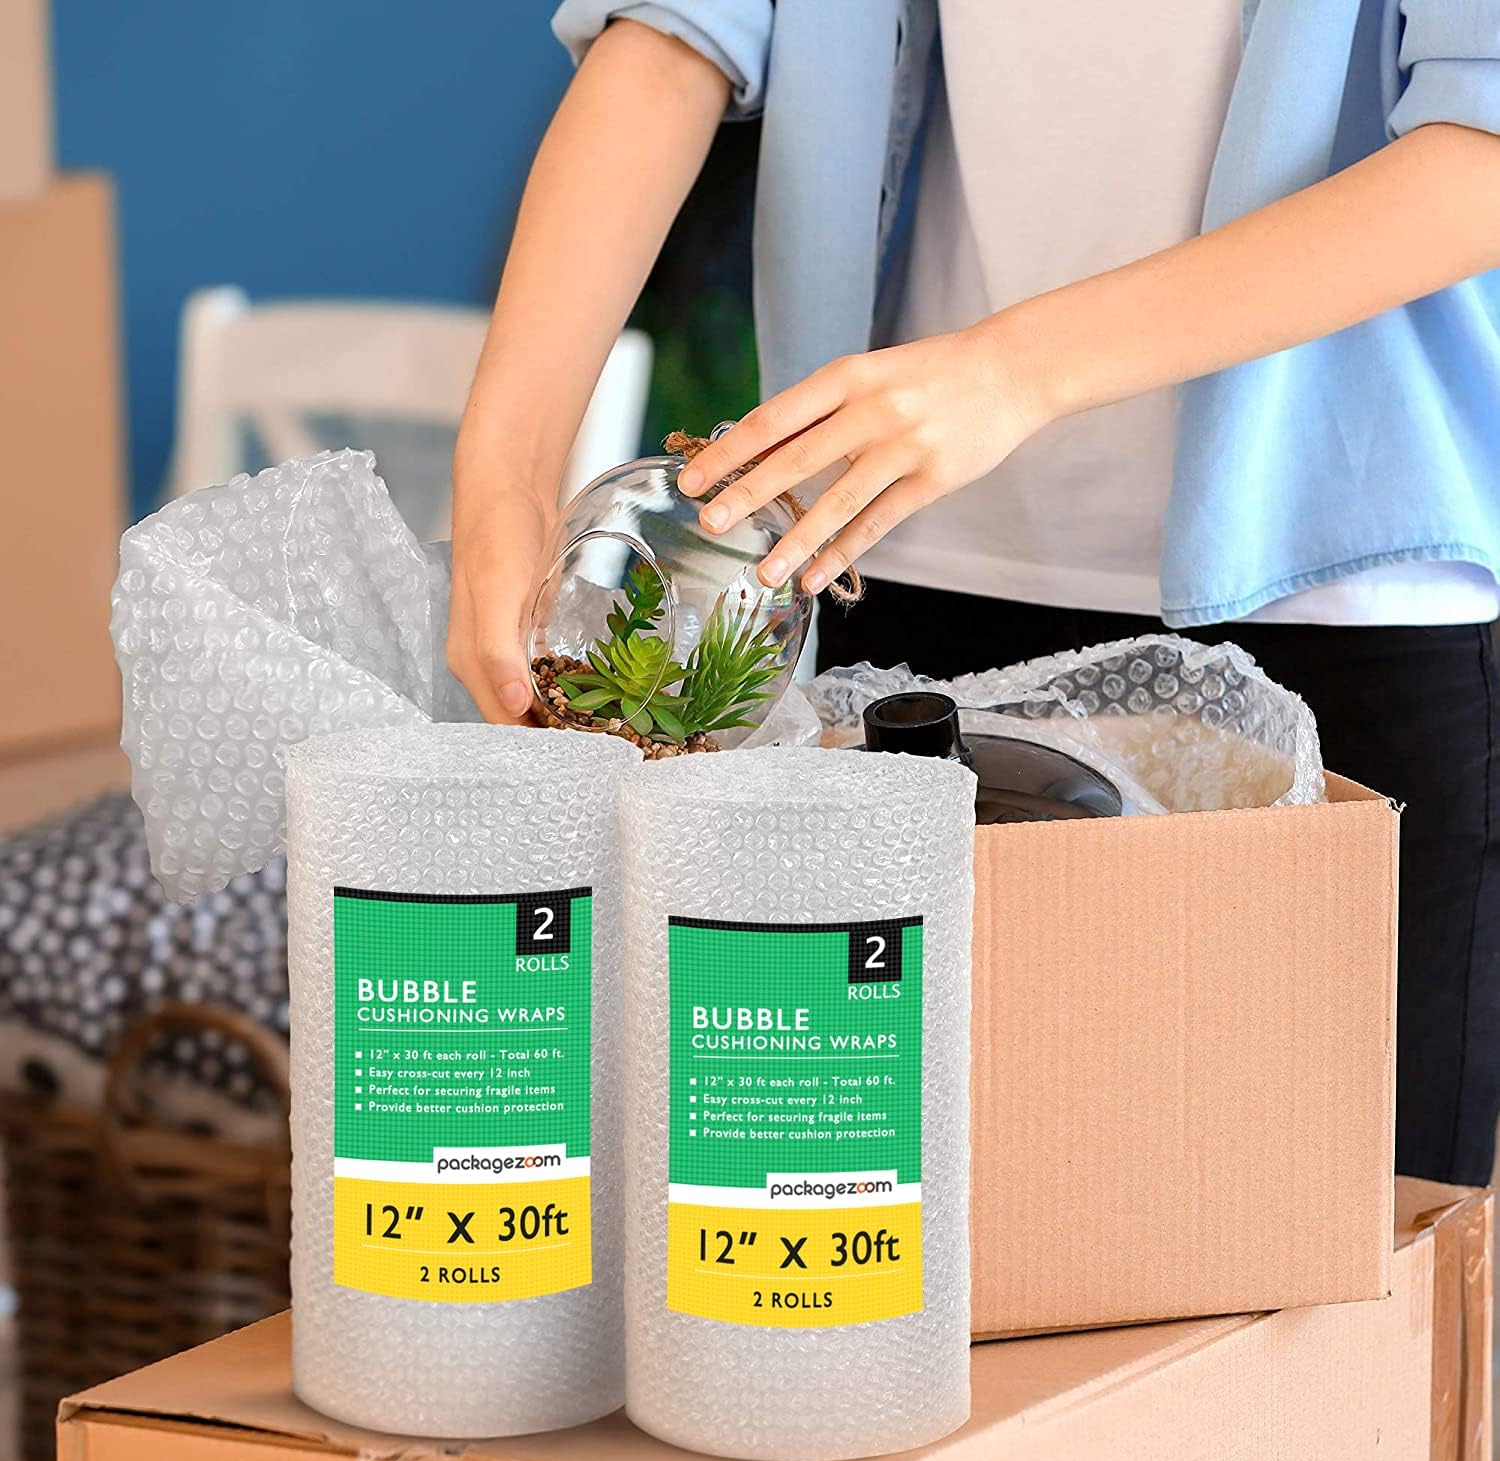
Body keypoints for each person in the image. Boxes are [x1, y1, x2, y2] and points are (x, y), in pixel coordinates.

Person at [448, 3, 1500, 1187]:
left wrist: (1011, 371)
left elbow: (1480, 146)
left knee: (1345, 1234)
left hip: (1341, 596)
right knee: (863, 1219)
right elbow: (670, 37)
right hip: (909, 579)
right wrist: (502, 478)